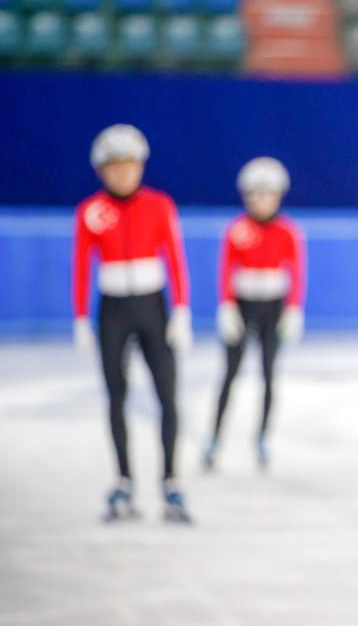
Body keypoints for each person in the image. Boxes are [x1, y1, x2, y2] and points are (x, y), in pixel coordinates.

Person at [72, 124, 193, 523]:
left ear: (140, 166)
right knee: (115, 395)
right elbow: (80, 265)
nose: (122, 174)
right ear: (101, 170)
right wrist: (80, 316)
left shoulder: (160, 205)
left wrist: (180, 308)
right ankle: (123, 479)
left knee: (167, 394)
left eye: (129, 165)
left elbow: (174, 254)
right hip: (112, 309)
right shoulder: (90, 210)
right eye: (114, 167)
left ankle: (171, 481)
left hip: (152, 306)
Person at [204, 157, 305, 472]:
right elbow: (225, 270)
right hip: (243, 305)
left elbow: (298, 272)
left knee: (268, 374)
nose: (261, 201)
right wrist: (226, 304)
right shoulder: (237, 230)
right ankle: (214, 438)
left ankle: (262, 437)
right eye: (255, 194)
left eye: (267, 194)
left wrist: (293, 308)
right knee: (230, 373)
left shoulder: (288, 231)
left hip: (272, 307)